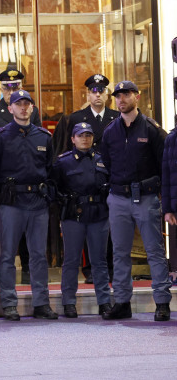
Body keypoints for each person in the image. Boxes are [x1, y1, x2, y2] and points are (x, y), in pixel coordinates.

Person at [101, 80, 171, 321]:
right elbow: (107, 164)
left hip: (147, 197)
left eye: (126, 95)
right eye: (118, 96)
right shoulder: (110, 131)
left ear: (137, 97)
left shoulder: (152, 129)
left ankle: (162, 302)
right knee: (120, 252)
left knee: (154, 251)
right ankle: (122, 301)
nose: (121, 100)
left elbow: (165, 165)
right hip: (118, 198)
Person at [0, 89, 57, 321]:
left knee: (38, 255)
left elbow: (50, 170)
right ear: (10, 108)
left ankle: (41, 303)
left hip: (37, 201)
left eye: (27, 104)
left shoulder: (44, 137)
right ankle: (8, 303)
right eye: (19, 104)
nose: (23, 108)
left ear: (32, 108)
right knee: (7, 256)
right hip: (12, 202)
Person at [52, 74, 119, 283]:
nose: (97, 95)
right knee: (83, 231)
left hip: (108, 178)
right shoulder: (75, 118)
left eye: (101, 91)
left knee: (108, 229)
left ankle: (110, 267)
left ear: (107, 95)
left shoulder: (116, 117)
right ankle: (89, 268)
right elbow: (64, 153)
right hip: (80, 182)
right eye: (93, 91)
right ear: (88, 94)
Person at [51, 122, 112, 319]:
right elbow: (54, 188)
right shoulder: (63, 162)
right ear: (73, 139)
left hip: (98, 214)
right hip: (73, 215)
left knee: (99, 261)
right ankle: (69, 302)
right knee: (71, 260)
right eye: (81, 135)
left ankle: (104, 302)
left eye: (88, 135)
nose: (85, 138)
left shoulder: (103, 160)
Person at [0, 69, 42, 137]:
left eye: (15, 89)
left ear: (21, 89)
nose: (11, 93)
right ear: (1, 90)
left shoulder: (32, 111)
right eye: (7, 89)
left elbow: (38, 137)